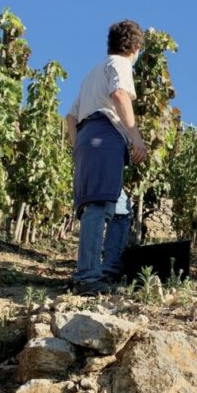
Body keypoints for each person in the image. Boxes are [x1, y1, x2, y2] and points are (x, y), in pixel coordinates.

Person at [66, 20, 147, 294]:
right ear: (135, 47)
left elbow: (70, 117)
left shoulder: (92, 74)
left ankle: (108, 271)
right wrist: (136, 137)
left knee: (122, 210)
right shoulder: (120, 64)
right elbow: (120, 94)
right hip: (105, 135)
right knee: (99, 207)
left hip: (88, 138)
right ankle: (88, 277)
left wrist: (79, 147)